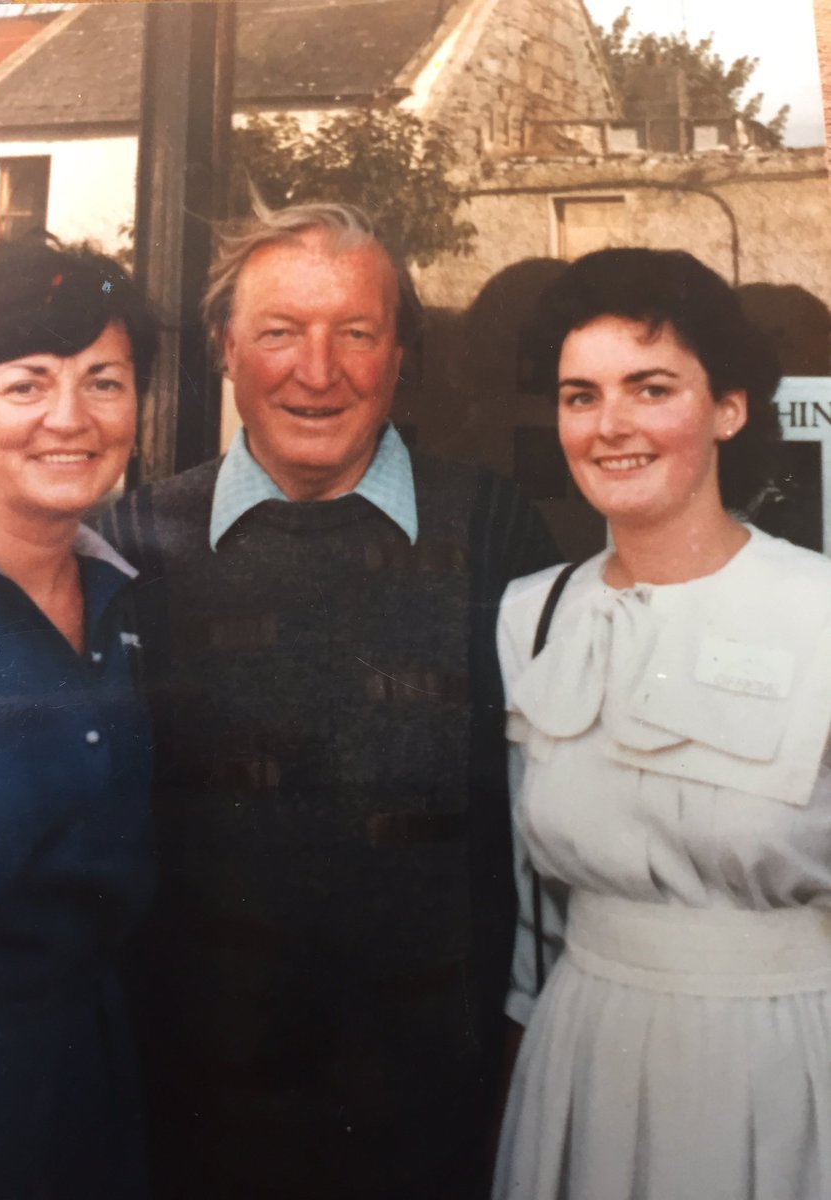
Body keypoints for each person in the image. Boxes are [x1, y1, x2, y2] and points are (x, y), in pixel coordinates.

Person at [100, 200, 559, 1200]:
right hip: (201, 1115)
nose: (319, 370)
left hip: (440, 1111)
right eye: (280, 332)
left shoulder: (493, 528)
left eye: (356, 332)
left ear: (399, 355)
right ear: (226, 349)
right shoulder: (132, 544)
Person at [494, 246, 831, 1200]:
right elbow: (531, 914)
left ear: (727, 408)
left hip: (783, 1064)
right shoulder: (533, 616)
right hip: (582, 1052)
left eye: (650, 388)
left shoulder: (821, 611)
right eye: (580, 395)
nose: (611, 427)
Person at [0, 236, 158, 1198]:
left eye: (103, 381)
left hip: (100, 1098)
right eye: (27, 384)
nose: (70, 418)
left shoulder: (134, 601)